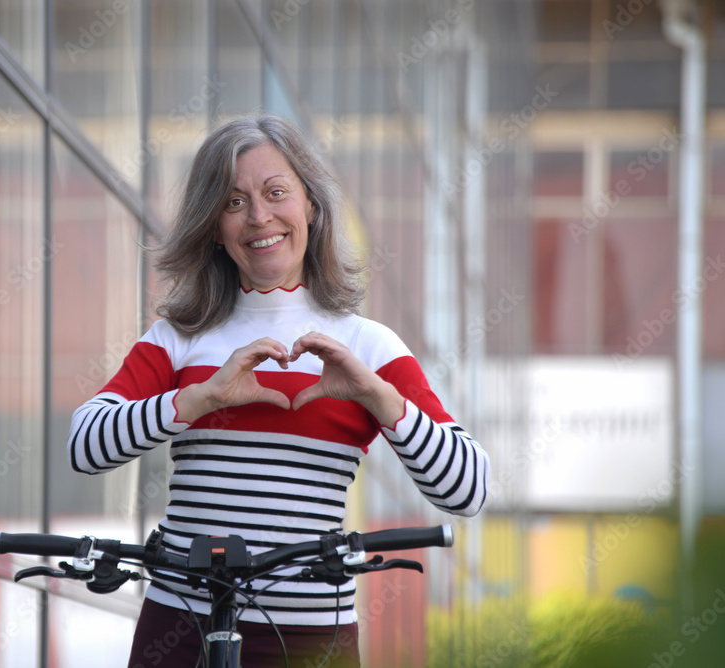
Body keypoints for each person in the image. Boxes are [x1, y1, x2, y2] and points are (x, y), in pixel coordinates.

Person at [68, 113, 489, 667]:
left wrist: (379, 397)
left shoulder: (370, 345)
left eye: (275, 192)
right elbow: (84, 445)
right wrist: (198, 400)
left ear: (311, 205)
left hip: (313, 640)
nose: (259, 216)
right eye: (234, 202)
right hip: (179, 628)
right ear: (214, 225)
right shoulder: (177, 338)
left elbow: (468, 490)